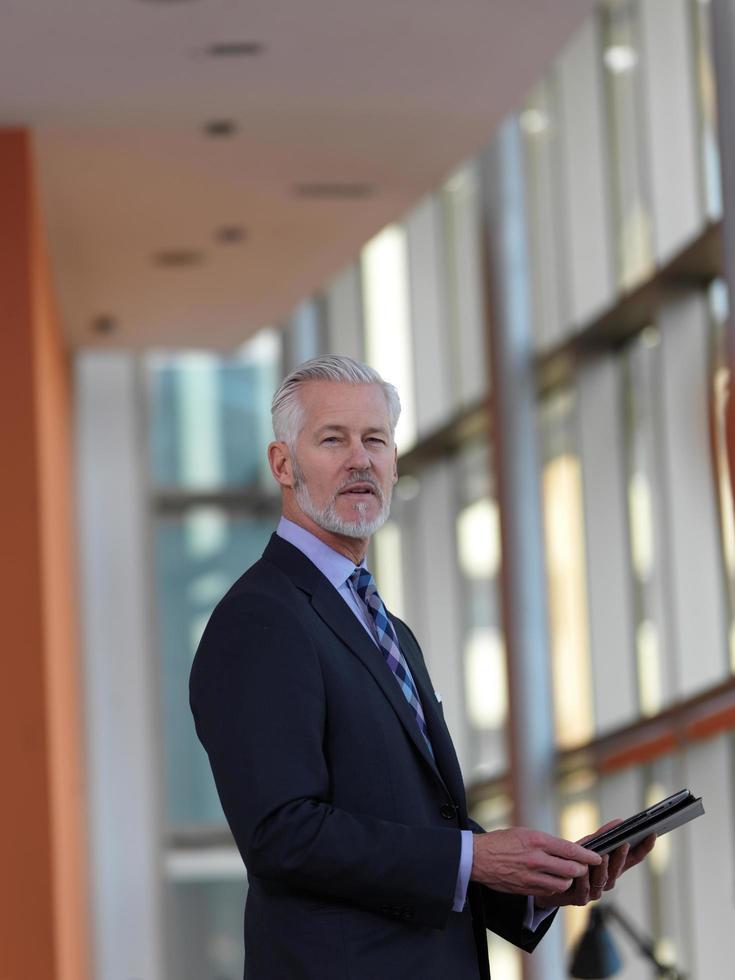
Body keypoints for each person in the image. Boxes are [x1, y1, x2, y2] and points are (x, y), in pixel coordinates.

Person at [189, 355, 654, 980]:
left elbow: (412, 823)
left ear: (394, 462)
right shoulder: (261, 618)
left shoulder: (386, 628)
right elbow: (283, 834)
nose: (361, 459)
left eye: (375, 439)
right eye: (333, 439)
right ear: (282, 464)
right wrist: (473, 857)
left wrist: (537, 882)